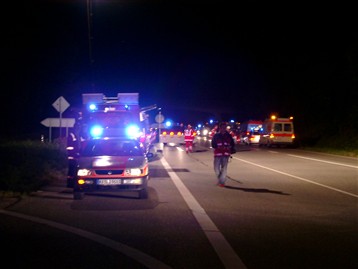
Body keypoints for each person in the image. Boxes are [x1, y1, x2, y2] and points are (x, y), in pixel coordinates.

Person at [211, 122, 236, 187]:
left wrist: (229, 147)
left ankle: (222, 182)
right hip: (218, 153)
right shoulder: (216, 135)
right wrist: (218, 147)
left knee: (224, 168)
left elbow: (232, 144)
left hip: (226, 154)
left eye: (224, 127)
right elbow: (213, 144)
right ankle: (221, 179)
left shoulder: (229, 135)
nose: (223, 129)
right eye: (222, 127)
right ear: (220, 128)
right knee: (216, 168)